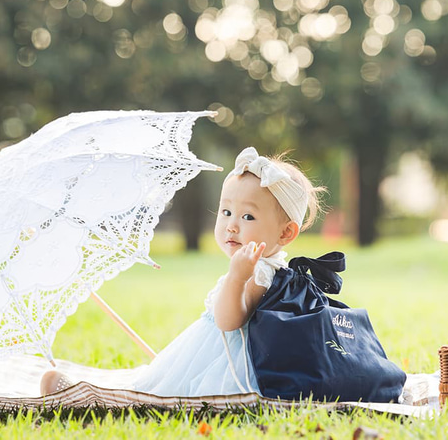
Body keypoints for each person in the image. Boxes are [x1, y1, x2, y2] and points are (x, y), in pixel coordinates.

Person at [40, 146, 325, 397]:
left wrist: (237, 278)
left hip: (226, 366)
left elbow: (228, 322)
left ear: (286, 233)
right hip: (215, 356)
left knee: (158, 393)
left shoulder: (258, 272)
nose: (232, 225)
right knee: (161, 379)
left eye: (247, 216)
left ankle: (88, 396)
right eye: (226, 212)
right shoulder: (270, 267)